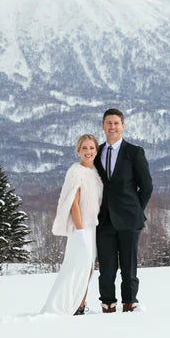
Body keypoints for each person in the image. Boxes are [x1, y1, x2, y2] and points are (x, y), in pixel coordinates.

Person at [94, 108, 152, 313]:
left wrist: (135, 209)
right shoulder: (96, 152)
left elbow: (146, 186)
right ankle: (107, 304)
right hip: (103, 220)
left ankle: (129, 303)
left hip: (129, 219)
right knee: (107, 268)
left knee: (129, 267)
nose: (112, 127)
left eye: (116, 123)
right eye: (108, 123)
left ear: (123, 126)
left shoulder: (134, 152)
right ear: (103, 126)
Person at [41, 134, 103, 316]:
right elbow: (73, 203)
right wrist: (80, 230)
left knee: (88, 268)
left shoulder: (95, 173)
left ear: (96, 150)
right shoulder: (76, 172)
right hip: (81, 228)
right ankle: (61, 306)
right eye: (84, 148)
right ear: (78, 150)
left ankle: (79, 305)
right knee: (76, 266)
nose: (88, 151)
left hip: (92, 227)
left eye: (92, 148)